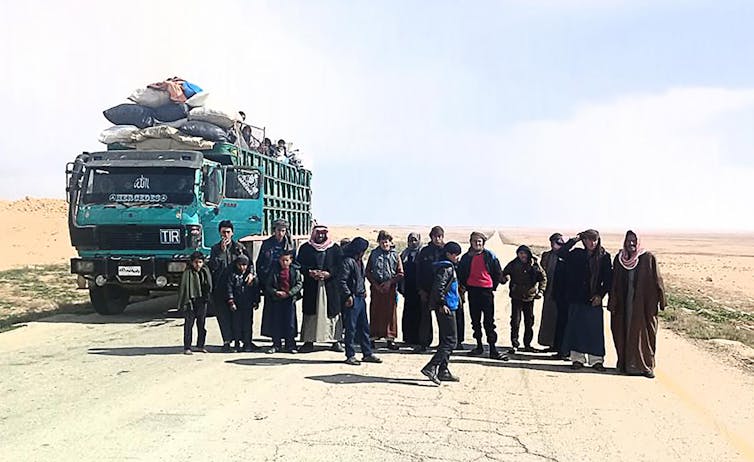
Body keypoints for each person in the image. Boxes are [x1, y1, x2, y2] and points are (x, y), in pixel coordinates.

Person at [608, 231, 666, 379]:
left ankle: (646, 367)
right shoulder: (620, 259)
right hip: (624, 305)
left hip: (643, 306)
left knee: (644, 335)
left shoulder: (648, 258)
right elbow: (613, 282)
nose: (631, 244)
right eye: (628, 241)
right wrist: (612, 301)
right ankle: (625, 365)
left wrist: (661, 300)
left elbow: (658, 280)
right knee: (623, 332)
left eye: (634, 241)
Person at [560, 230, 613, 371]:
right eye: (589, 239)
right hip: (577, 297)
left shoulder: (604, 256)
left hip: (594, 299)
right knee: (577, 329)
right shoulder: (577, 254)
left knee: (594, 330)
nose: (592, 243)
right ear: (584, 241)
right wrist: (574, 240)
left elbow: (608, 279)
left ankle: (596, 360)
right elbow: (561, 253)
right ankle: (577, 359)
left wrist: (600, 295)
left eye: (595, 240)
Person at [457, 232, 507, 360]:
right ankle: (479, 346)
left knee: (489, 321)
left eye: (479, 241)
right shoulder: (466, 257)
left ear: (483, 243)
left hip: (486, 291)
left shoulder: (490, 255)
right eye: (475, 241)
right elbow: (461, 273)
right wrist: (464, 286)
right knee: (475, 320)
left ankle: (493, 349)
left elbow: (497, 272)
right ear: (471, 242)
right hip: (473, 291)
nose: (477, 243)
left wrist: (494, 286)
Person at [420, 242, 463, 385]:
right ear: (449, 254)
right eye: (456, 255)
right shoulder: (446, 268)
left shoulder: (446, 266)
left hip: (450, 305)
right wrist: (442, 303)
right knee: (450, 341)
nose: (457, 258)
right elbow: (439, 287)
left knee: (447, 340)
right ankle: (431, 366)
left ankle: (443, 370)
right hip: (446, 307)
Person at [208, 220, 255, 353]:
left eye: (228, 232)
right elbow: (213, 267)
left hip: (237, 289)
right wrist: (221, 252)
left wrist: (251, 274)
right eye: (223, 232)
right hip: (221, 288)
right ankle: (226, 341)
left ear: (232, 233)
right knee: (223, 316)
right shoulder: (215, 249)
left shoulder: (239, 247)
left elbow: (249, 263)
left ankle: (241, 341)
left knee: (238, 316)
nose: (226, 235)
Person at [297, 226, 344, 353]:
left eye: (323, 234)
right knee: (311, 312)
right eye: (318, 233)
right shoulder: (306, 248)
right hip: (312, 285)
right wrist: (309, 272)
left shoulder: (334, 248)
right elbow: (299, 265)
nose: (321, 236)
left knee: (332, 313)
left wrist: (329, 273)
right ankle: (308, 341)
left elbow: (340, 266)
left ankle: (336, 340)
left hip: (330, 286)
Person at [338, 237, 383, 365]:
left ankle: (367, 353)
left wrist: (363, 290)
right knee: (351, 328)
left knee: (364, 327)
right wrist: (348, 296)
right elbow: (342, 281)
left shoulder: (358, 261)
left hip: (360, 297)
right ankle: (350, 355)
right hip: (352, 298)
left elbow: (360, 279)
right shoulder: (347, 261)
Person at [502, 245, 547, 354]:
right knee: (515, 322)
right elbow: (503, 274)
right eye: (520, 253)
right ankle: (515, 344)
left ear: (528, 254)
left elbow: (543, 278)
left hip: (529, 297)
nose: (522, 255)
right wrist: (504, 278)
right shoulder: (513, 264)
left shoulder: (534, 265)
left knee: (529, 322)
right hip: (516, 296)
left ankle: (527, 344)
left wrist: (541, 291)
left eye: (524, 253)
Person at [366, 230, 405, 350]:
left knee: (390, 313)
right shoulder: (373, 254)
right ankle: (373, 338)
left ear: (390, 242)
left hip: (390, 288)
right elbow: (368, 271)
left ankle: (390, 339)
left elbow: (400, 273)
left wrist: (389, 283)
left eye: (386, 242)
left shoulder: (395, 255)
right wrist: (376, 284)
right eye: (382, 242)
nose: (384, 244)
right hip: (376, 288)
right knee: (375, 311)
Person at [258, 219, 295, 340]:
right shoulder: (267, 244)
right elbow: (260, 263)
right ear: (274, 231)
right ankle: (275, 341)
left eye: (283, 231)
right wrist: (265, 280)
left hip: (287, 283)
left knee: (288, 315)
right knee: (273, 314)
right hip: (272, 283)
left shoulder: (290, 244)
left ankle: (289, 342)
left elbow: (296, 264)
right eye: (278, 230)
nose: (280, 233)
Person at [264, 250, 304, 354]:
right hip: (277, 300)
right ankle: (276, 344)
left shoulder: (295, 271)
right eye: (282, 260)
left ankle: (290, 344)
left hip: (290, 300)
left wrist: (290, 293)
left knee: (290, 323)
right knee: (276, 322)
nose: (284, 262)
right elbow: (268, 285)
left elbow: (299, 284)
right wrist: (276, 292)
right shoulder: (274, 271)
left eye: (286, 260)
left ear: (290, 260)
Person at [415, 226, 447, 353]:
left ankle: (443, 344)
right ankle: (424, 343)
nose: (437, 239)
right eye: (435, 236)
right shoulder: (425, 251)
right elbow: (419, 272)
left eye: (439, 236)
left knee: (443, 318)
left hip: (441, 291)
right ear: (431, 237)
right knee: (425, 318)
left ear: (442, 237)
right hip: (426, 289)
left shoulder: (446, 251)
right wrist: (420, 289)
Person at [177, 251, 213, 355]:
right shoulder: (187, 273)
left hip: (202, 301)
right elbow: (184, 288)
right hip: (190, 301)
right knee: (189, 325)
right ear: (192, 262)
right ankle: (187, 347)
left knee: (201, 324)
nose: (198, 265)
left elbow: (209, 285)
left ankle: (200, 345)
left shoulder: (205, 271)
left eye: (200, 262)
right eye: (196, 262)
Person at [538, 233, 567, 354]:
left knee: (560, 319)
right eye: (554, 242)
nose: (555, 245)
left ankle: (561, 346)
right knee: (549, 318)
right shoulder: (546, 255)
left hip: (562, 292)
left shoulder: (566, 256)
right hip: (549, 290)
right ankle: (551, 343)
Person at [225, 255, 260, 352]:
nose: (242, 267)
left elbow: (256, 290)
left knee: (248, 324)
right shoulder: (232, 275)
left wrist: (256, 301)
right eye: (240, 265)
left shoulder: (251, 277)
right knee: (236, 324)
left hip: (248, 304)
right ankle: (237, 343)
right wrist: (231, 301)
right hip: (237, 304)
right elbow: (229, 289)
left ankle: (247, 343)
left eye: (244, 265)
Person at [398, 233, 422, 347]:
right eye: (410, 240)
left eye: (415, 240)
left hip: (420, 288)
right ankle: (408, 337)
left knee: (420, 314)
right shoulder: (404, 253)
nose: (413, 242)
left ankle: (419, 338)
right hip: (408, 288)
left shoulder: (422, 253)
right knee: (408, 313)